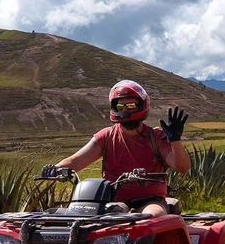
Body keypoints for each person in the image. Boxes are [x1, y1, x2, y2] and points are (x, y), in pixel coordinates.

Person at [43, 80, 191, 215]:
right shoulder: (106, 137)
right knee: (93, 217)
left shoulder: (156, 137)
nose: (125, 110)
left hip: (150, 201)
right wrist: (55, 169)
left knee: (151, 215)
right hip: (113, 201)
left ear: (142, 105)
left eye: (131, 105)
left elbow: (182, 167)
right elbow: (77, 160)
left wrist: (175, 140)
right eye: (120, 106)